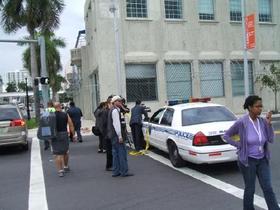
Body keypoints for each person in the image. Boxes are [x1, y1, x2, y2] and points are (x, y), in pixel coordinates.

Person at [223, 95, 280, 210]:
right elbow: (226, 136)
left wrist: (269, 125)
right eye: (257, 106)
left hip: (262, 159)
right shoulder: (242, 122)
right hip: (248, 161)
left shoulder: (262, 122)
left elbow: (270, 139)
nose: (260, 108)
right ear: (249, 107)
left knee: (268, 187)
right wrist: (240, 146)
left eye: (261, 106)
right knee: (250, 188)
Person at [107, 95, 133, 177]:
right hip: (116, 135)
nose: (120, 102)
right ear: (114, 102)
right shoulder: (115, 111)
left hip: (113, 136)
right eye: (118, 101)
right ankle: (124, 171)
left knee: (115, 154)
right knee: (122, 153)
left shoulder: (113, 110)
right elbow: (116, 124)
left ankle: (116, 171)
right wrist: (120, 136)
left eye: (120, 101)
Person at [52, 102, 75, 177]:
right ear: (60, 106)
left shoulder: (51, 115)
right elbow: (70, 124)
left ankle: (60, 171)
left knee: (57, 154)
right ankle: (66, 166)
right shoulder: (65, 114)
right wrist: (73, 135)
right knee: (65, 151)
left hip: (55, 135)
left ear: (54, 107)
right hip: (64, 134)